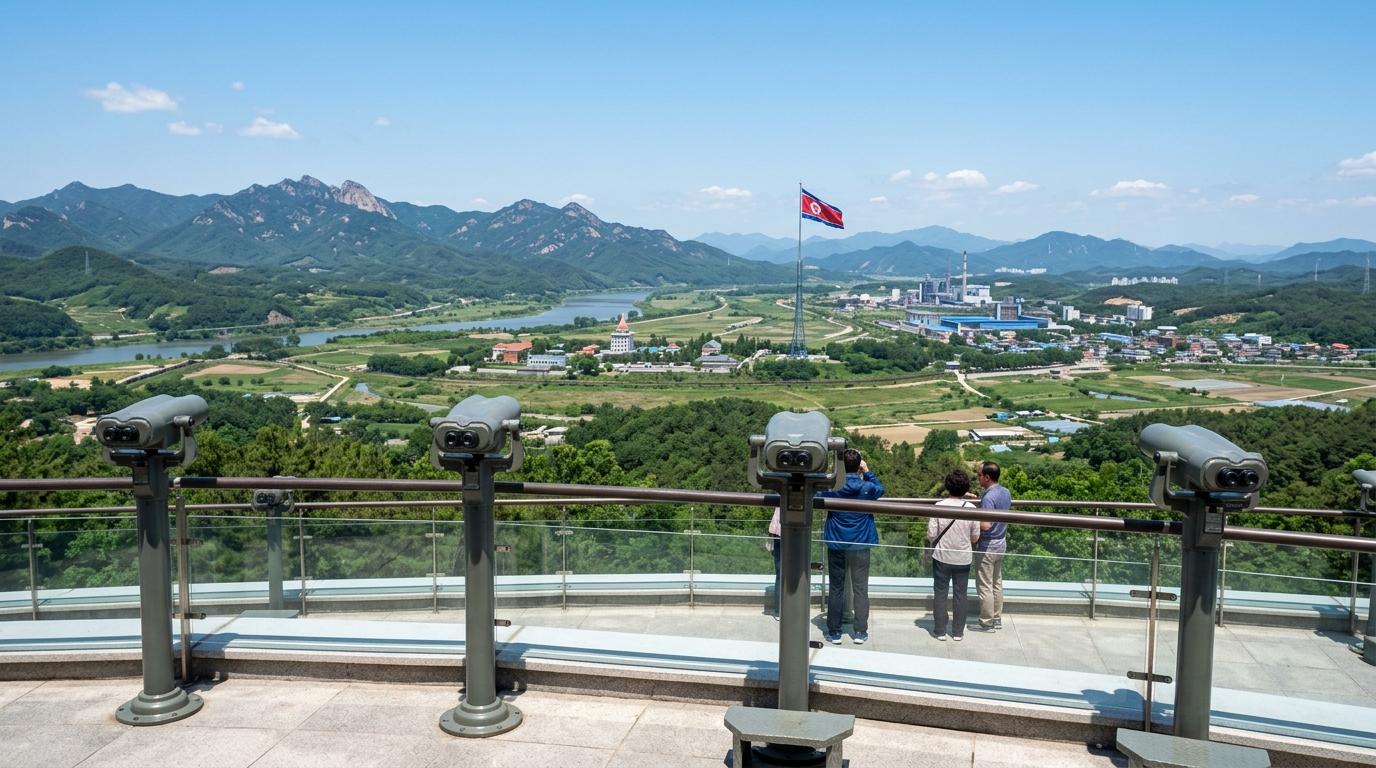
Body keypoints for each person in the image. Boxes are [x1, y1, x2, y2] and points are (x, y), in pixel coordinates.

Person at [818, 449, 885, 645]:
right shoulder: (867, 487)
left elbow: (818, 494)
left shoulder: (833, 488)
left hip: (837, 542)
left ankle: (834, 631)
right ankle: (860, 631)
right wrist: (868, 470)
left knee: (836, 588)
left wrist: (834, 473)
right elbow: (880, 489)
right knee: (861, 589)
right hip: (861, 543)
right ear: (859, 466)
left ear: (840, 466)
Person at [927, 469, 982, 642]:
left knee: (940, 593)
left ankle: (940, 630)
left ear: (947, 486)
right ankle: (958, 632)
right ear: (965, 488)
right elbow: (975, 536)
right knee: (961, 594)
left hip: (942, 556)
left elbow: (931, 534)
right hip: (963, 557)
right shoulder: (972, 509)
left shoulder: (939, 506)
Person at [974, 461, 1011, 631]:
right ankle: (997, 618)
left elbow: (985, 524)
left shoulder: (988, 497)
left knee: (985, 585)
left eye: (979, 475)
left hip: (988, 545)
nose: (977, 478)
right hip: (1001, 542)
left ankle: (986, 622)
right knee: (997, 582)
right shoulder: (1005, 492)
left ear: (987, 477)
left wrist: (971, 518)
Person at [767, 506, 782, 619]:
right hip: (795, 531)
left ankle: (778, 610)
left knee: (780, 575)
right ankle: (790, 608)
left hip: (778, 533)